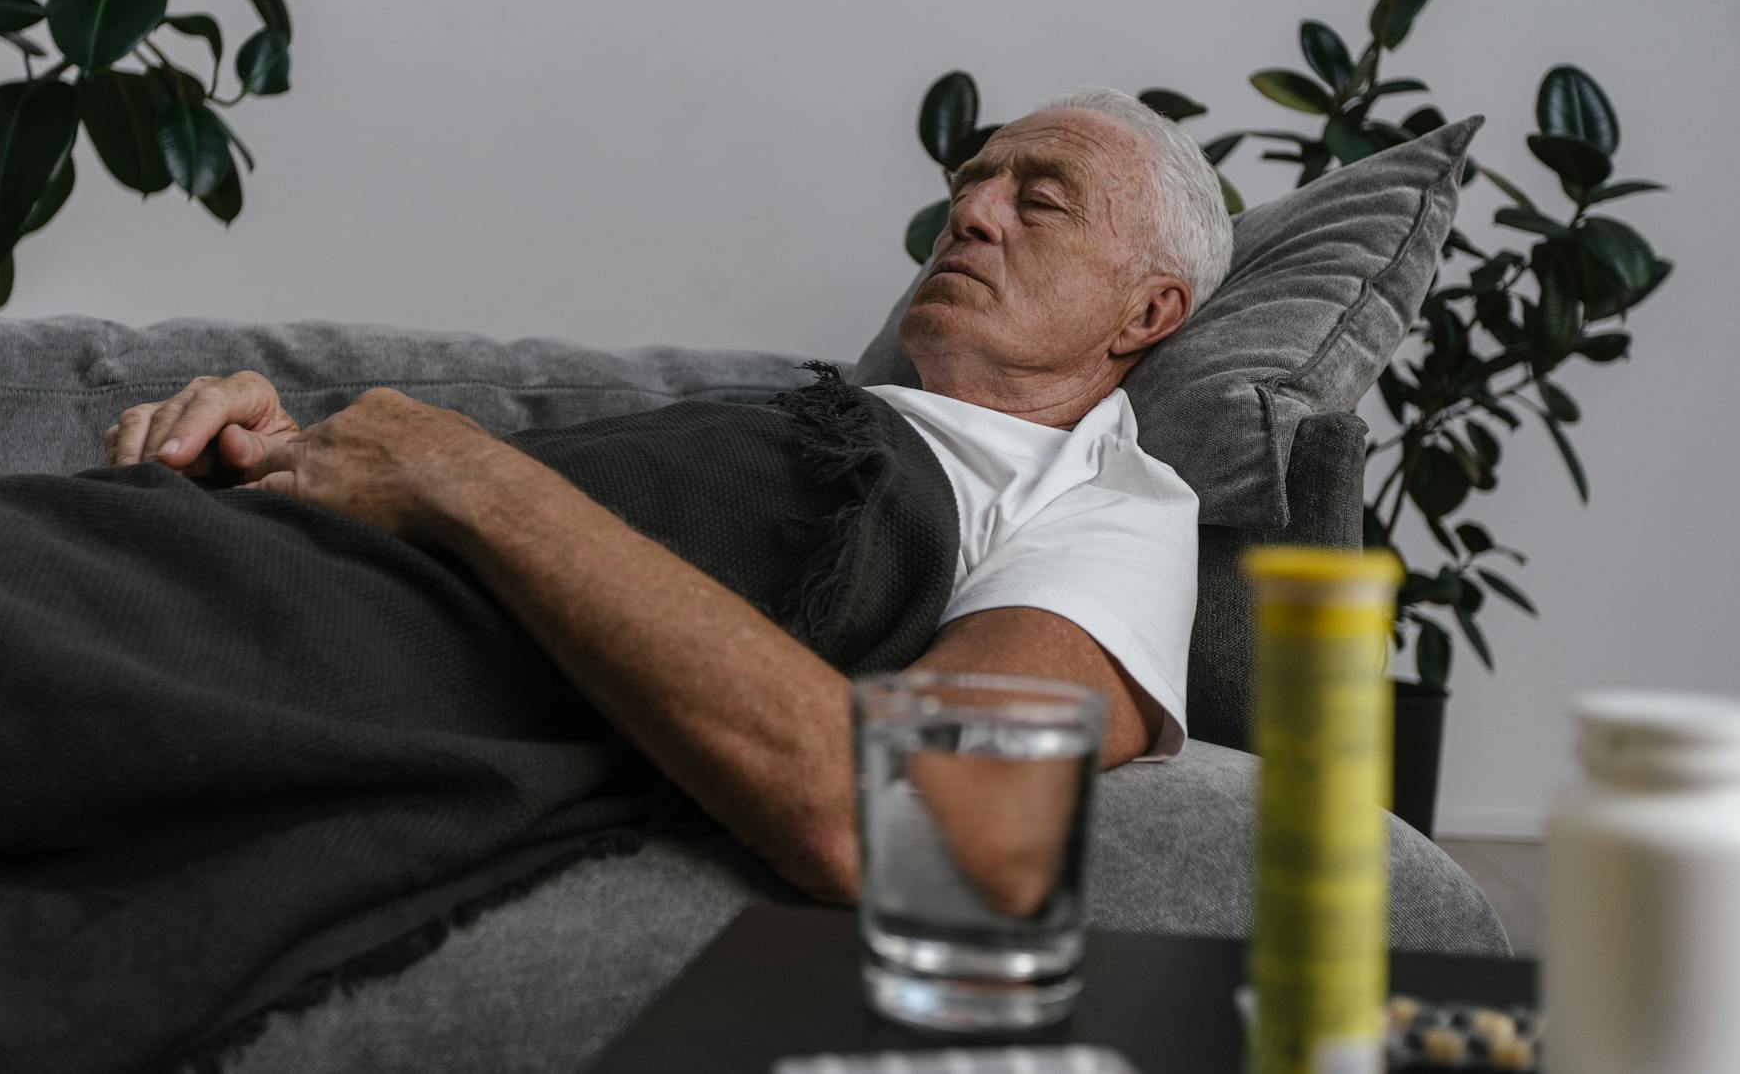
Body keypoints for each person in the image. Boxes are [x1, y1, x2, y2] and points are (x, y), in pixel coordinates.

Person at [99, 85, 1234, 907]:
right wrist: (287, 464)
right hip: (182, 557)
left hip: (237, 650)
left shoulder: (1110, 499)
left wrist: (454, 466)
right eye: (974, 181)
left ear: (1146, 314)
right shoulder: (813, 417)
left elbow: (906, 816)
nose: (973, 213)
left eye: (1042, 200)